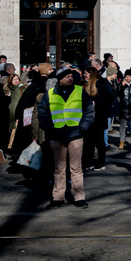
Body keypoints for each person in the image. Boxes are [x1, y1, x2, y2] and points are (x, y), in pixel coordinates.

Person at [37, 68, 94, 209]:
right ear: (60, 79)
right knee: (59, 169)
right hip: (57, 135)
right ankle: (58, 198)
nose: (70, 78)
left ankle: (79, 197)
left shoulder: (80, 91)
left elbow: (89, 111)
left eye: (71, 76)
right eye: (67, 76)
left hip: (75, 134)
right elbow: (42, 115)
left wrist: (82, 128)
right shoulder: (49, 94)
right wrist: (50, 129)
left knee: (76, 168)